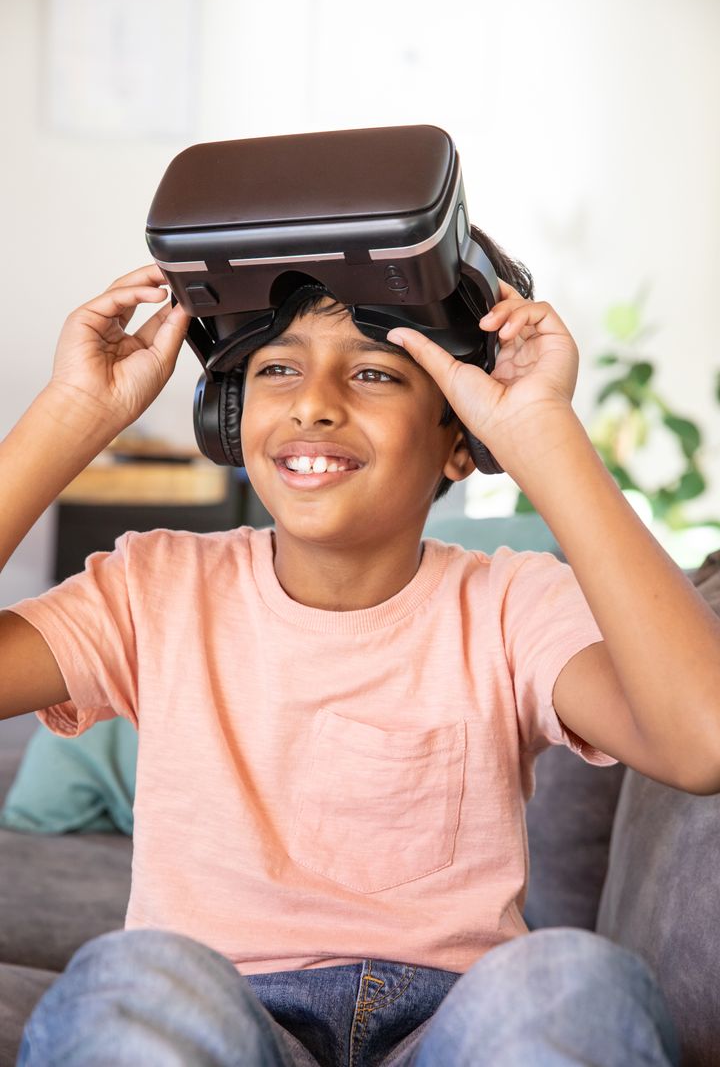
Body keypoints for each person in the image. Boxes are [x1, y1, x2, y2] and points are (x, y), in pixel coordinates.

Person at [3, 235, 719, 1066]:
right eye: (277, 369)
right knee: (133, 979)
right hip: (223, 1019)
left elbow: (702, 740)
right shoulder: (153, 587)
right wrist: (71, 413)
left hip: (453, 1031)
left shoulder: (515, 603)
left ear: (464, 439)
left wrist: (542, 431)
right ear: (228, 417)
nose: (314, 402)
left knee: (576, 978)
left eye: (375, 372)